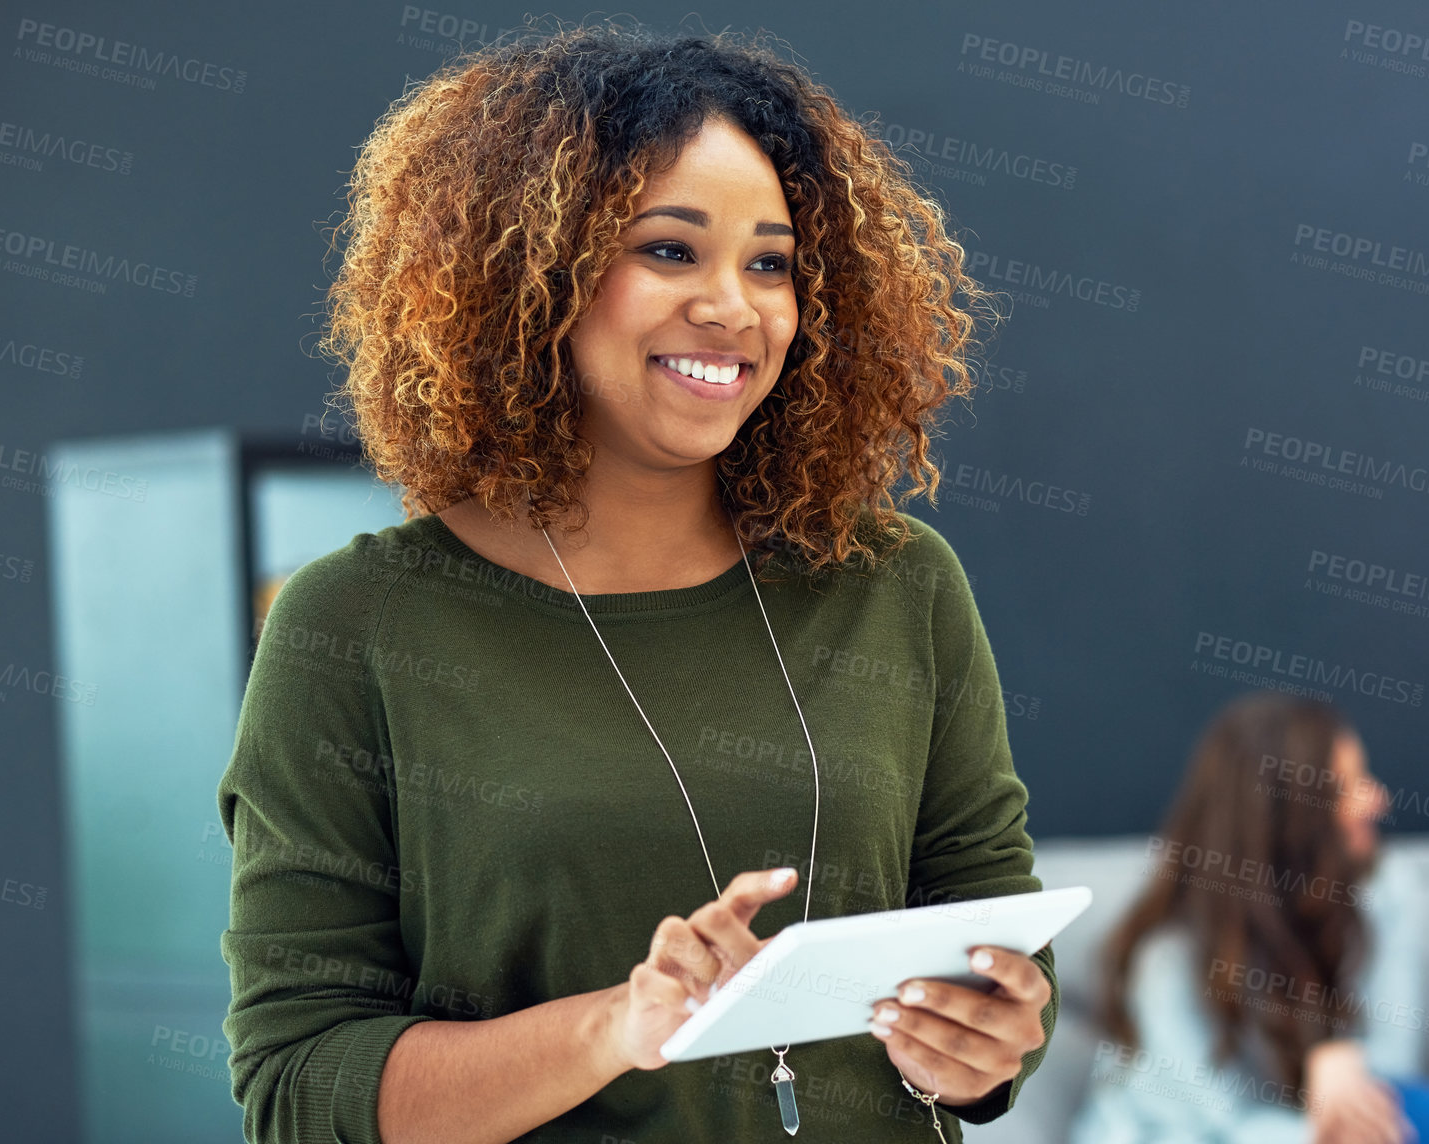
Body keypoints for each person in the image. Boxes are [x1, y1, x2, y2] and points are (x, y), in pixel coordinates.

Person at [216, 20, 1058, 1144]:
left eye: (771, 262)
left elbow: (992, 929)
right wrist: (622, 1024)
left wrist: (988, 1044)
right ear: (528, 270)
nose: (733, 305)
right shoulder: (357, 622)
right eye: (670, 250)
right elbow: (299, 1082)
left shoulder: (893, 584)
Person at [1071, 691, 1429, 1144]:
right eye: (1349, 786)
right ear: (1286, 820)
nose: (1378, 800)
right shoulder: (1169, 960)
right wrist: (1322, 1129)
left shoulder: (1381, 889)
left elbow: (1394, 1069)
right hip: (1177, 1136)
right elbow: (1211, 1129)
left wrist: (1343, 1061)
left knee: (1421, 1112)